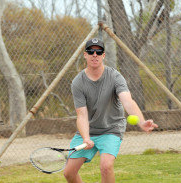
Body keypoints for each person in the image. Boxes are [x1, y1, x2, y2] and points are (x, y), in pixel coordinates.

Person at [63, 38, 158, 183]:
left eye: (98, 51)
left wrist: (141, 121)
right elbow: (81, 115)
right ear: (85, 55)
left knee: (106, 166)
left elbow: (128, 101)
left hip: (111, 129)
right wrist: (86, 137)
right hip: (89, 130)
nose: (95, 54)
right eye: (91, 51)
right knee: (69, 173)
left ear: (103, 55)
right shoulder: (78, 82)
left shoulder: (115, 76)